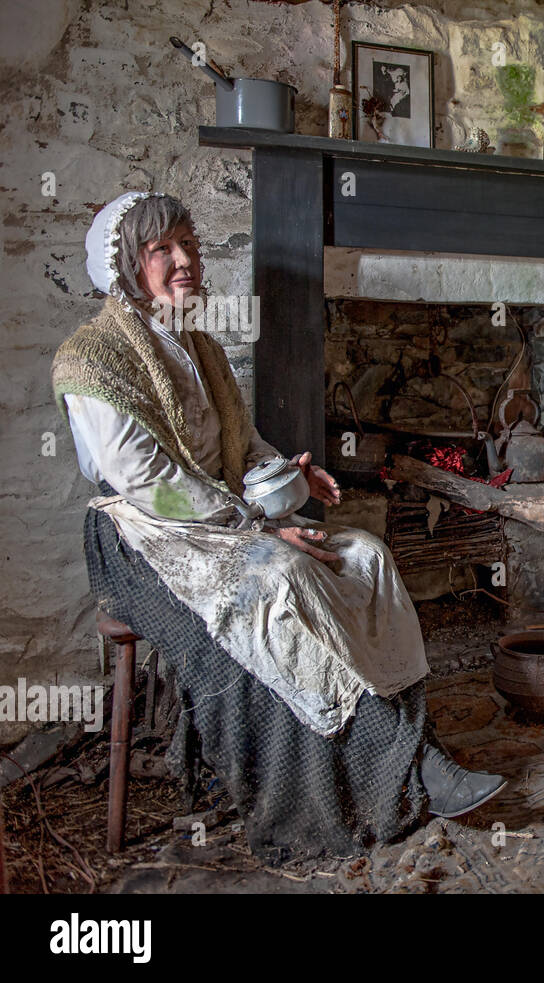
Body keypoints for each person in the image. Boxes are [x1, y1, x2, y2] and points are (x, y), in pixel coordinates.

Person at [52, 191, 504, 861]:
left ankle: (415, 743)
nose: (184, 261)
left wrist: (290, 476)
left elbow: (241, 443)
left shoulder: (196, 343)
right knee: (284, 575)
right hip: (147, 534)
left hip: (218, 514)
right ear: (124, 266)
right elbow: (152, 485)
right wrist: (255, 528)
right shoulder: (90, 359)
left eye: (188, 245)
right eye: (161, 251)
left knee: (364, 555)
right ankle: (401, 773)